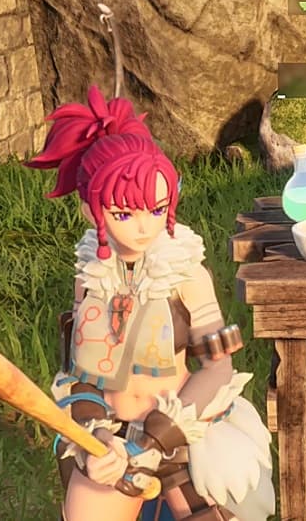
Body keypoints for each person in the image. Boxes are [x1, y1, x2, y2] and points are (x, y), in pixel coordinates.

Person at [25, 86, 274, 521]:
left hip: (177, 432)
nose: (144, 227)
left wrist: (153, 440)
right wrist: (95, 433)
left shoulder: (186, 273)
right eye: (123, 213)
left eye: (156, 209)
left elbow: (218, 367)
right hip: (110, 438)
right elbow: (78, 370)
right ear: (90, 209)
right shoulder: (89, 276)